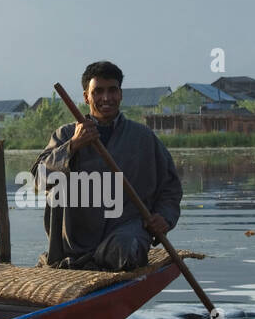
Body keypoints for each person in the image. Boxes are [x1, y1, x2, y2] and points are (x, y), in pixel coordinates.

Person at [34, 61, 182, 271]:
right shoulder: (66, 135)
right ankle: (81, 263)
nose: (106, 98)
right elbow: (39, 179)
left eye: (112, 90)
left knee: (126, 247)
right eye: (98, 92)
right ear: (86, 97)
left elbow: (170, 188)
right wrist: (73, 146)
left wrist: (164, 217)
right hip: (73, 241)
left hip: (125, 231)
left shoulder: (143, 138)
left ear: (120, 94)